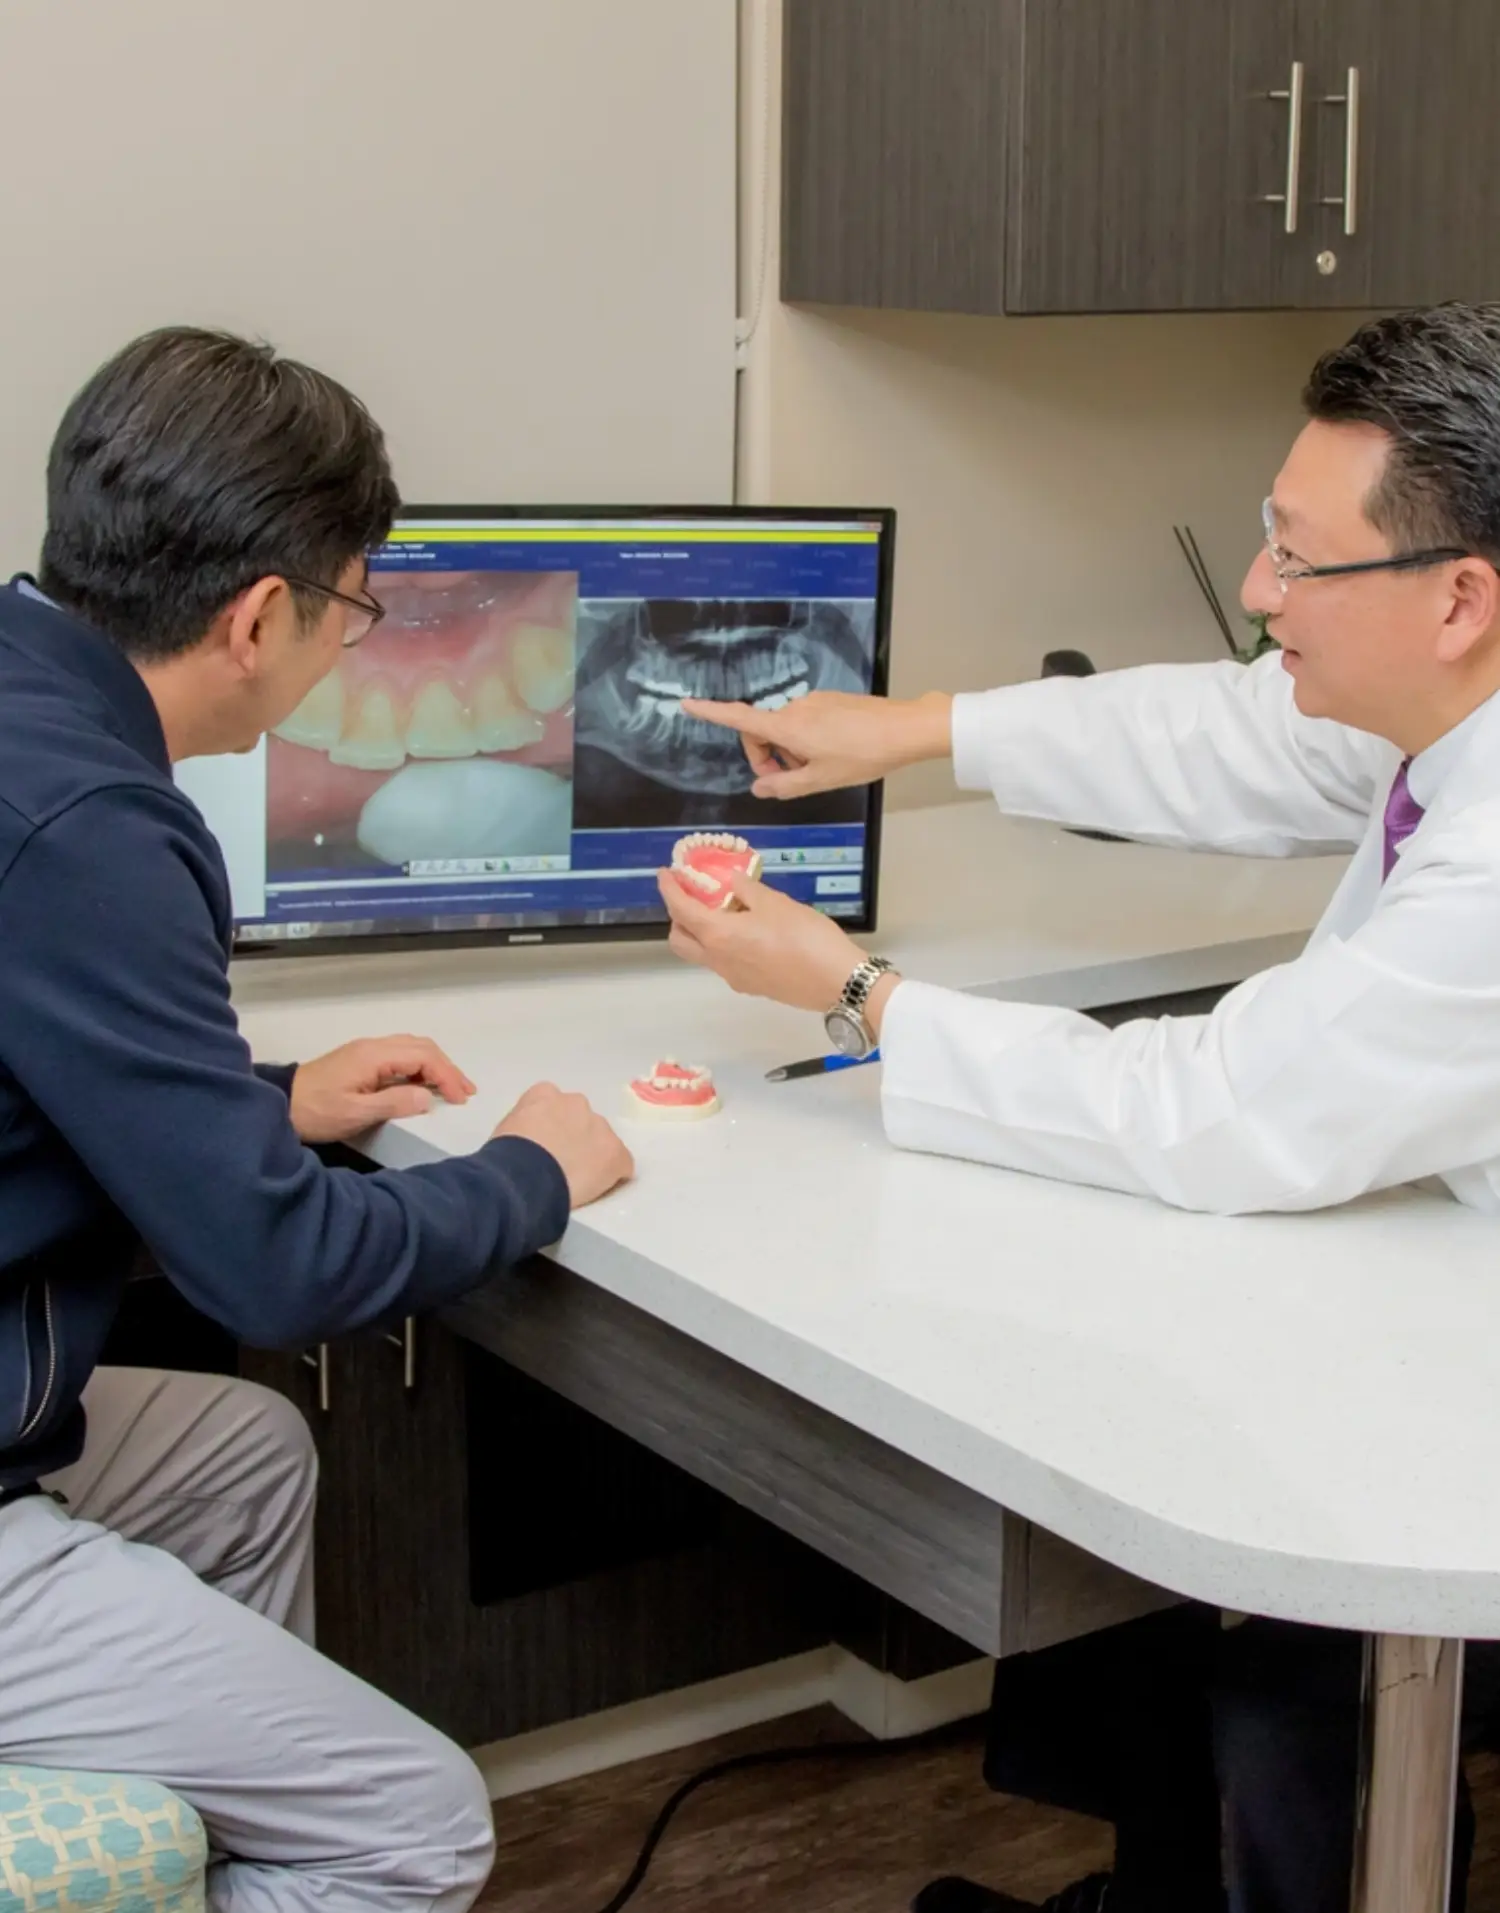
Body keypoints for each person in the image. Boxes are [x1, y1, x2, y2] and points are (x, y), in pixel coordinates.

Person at [658, 303, 1500, 1912]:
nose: (1259, 595)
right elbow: (1229, 732)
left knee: (1276, 1676)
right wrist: (905, 734)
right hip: (1435, 1266)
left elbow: (1220, 1111)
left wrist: (854, 996)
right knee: (1134, 1473)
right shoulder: (1454, 704)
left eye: (1298, 564)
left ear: (1458, 595)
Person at [0, 327, 634, 1913]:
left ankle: (203, 1831)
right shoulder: (94, 827)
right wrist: (533, 1173)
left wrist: (267, 1100)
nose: (351, 646)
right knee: (417, 1825)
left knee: (244, 1448)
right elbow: (276, 1273)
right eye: (353, 606)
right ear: (259, 615)